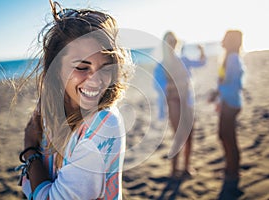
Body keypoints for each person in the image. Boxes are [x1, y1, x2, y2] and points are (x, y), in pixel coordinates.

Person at [15, 1, 134, 199]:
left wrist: (29, 149)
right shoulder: (49, 113)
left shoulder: (103, 123)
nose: (96, 81)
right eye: (82, 67)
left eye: (106, 67)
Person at [154, 31, 206, 178]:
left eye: (173, 41)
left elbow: (201, 63)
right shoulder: (161, 65)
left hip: (187, 101)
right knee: (179, 135)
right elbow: (158, 85)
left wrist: (201, 50)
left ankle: (186, 167)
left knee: (190, 134)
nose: (171, 44)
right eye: (169, 41)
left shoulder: (183, 59)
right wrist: (174, 85)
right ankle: (173, 170)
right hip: (174, 102)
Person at [209, 30, 245, 199]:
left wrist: (218, 93)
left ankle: (233, 172)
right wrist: (218, 94)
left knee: (228, 137)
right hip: (227, 102)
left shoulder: (233, 59)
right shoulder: (229, 57)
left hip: (231, 103)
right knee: (224, 136)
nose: (222, 40)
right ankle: (229, 168)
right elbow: (225, 82)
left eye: (225, 37)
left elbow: (235, 85)